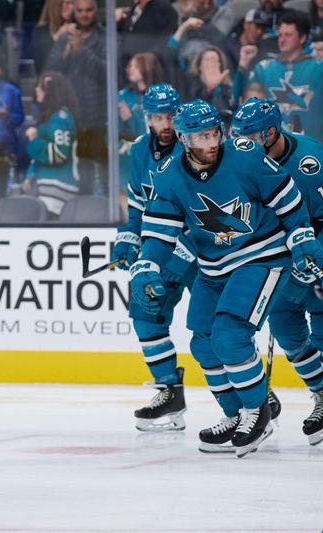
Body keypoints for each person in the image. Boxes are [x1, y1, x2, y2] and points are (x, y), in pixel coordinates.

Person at [131, 99, 323, 457]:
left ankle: (258, 412)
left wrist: (300, 236)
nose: (212, 142)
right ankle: (235, 414)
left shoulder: (245, 154)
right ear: (186, 139)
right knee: (203, 341)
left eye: (215, 133)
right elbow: (159, 233)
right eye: (202, 136)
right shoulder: (170, 175)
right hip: (213, 267)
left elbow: (287, 196)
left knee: (231, 335)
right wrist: (147, 267)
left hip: (262, 256)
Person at [230, 97, 323, 445]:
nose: (243, 143)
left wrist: (312, 259)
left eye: (251, 136)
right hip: (280, 261)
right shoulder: (242, 162)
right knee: (287, 331)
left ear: (271, 132)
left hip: (316, 253)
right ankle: (321, 393)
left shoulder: (311, 160)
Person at [112, 83, 193, 431]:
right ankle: (169, 391)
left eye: (170, 115)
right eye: (157, 116)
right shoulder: (140, 149)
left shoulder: (194, 147)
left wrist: (176, 253)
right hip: (160, 250)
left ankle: (251, 398)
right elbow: (138, 205)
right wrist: (128, 239)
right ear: (146, 118)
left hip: (200, 250)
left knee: (215, 330)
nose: (165, 123)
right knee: (145, 313)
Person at [44, 0, 107, 195]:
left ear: (95, 12)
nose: (84, 14)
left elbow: (109, 73)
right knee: (76, 171)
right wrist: (65, 51)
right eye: (80, 10)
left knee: (101, 171)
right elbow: (49, 72)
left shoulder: (106, 36)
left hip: (97, 115)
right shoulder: (65, 36)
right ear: (74, 12)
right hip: (70, 116)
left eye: (88, 10)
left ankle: (103, 213)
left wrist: (81, 51)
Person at [247, 11, 323, 141]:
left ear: (302, 38)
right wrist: (242, 67)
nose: (282, 40)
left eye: (288, 35)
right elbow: (250, 109)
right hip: (272, 148)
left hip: (313, 149)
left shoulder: (318, 68)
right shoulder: (263, 69)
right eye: (280, 35)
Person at [21, 72, 79, 219]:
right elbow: (39, 157)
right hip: (45, 187)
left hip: (58, 188)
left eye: (41, 87)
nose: (36, 90)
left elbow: (59, 154)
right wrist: (30, 176)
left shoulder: (60, 118)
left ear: (52, 92)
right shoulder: (49, 118)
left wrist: (34, 139)